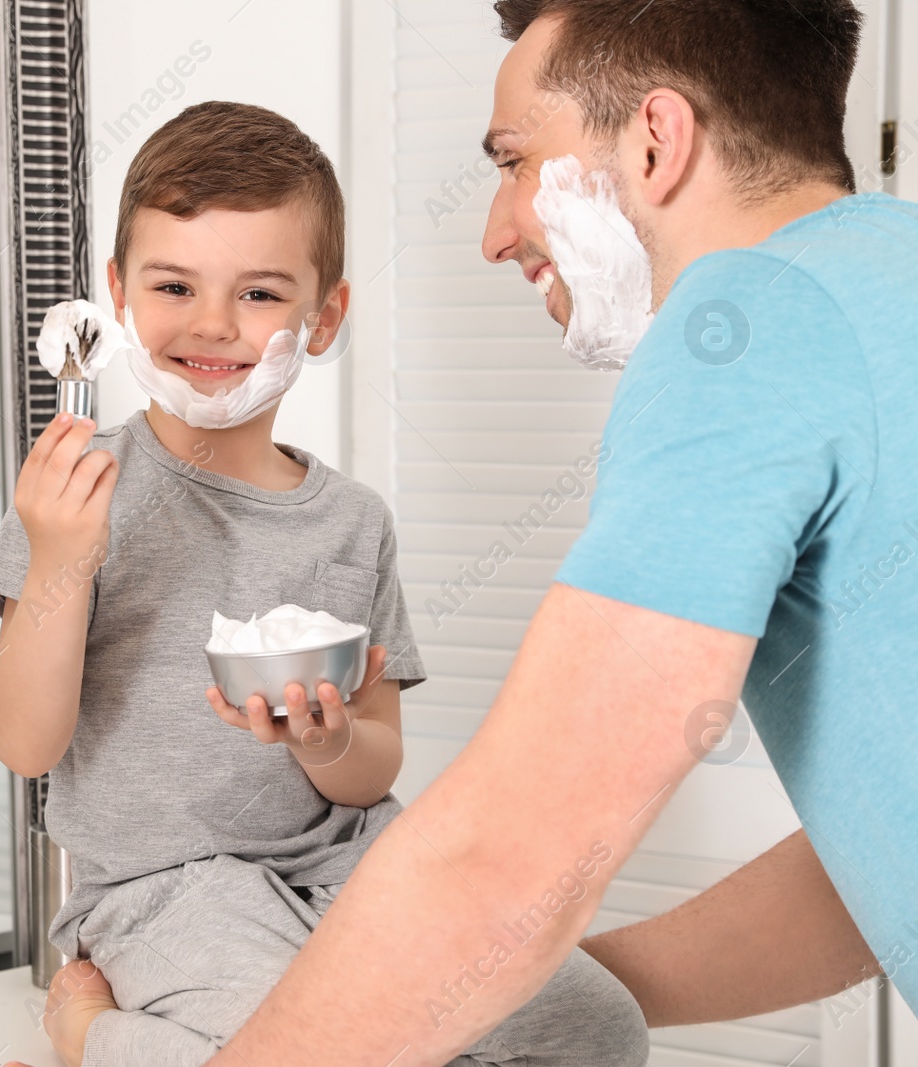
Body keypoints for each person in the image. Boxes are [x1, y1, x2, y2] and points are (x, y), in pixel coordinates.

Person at [191, 1, 911, 1062]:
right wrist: (518, 990)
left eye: (516, 161)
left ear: (657, 141)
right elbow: (879, 865)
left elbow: (507, 858)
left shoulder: (742, 326)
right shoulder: (886, 277)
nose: (494, 233)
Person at [0, 102, 647, 1067]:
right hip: (168, 889)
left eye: (257, 294)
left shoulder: (353, 521)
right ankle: (91, 1036)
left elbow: (375, 764)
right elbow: (23, 740)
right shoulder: (76, 496)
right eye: (174, 285)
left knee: (595, 1027)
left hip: (357, 863)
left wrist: (329, 742)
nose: (212, 323)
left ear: (322, 316)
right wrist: (59, 559)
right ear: (119, 294)